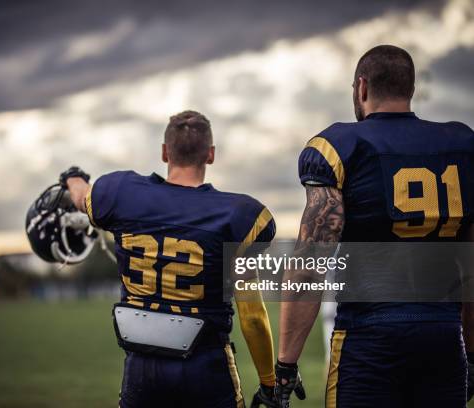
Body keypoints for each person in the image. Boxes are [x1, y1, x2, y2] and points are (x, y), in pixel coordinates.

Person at [275, 45, 474, 407]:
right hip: (443, 337)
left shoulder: (340, 146)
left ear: (361, 88)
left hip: (369, 338)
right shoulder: (462, 145)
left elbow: (308, 268)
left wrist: (285, 365)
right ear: (409, 88)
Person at [64, 110, 279, 408]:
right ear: (211, 155)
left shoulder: (121, 194)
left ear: (165, 152)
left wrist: (72, 177)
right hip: (205, 367)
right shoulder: (238, 216)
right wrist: (270, 383)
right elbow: (252, 317)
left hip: (142, 368)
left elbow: (81, 196)